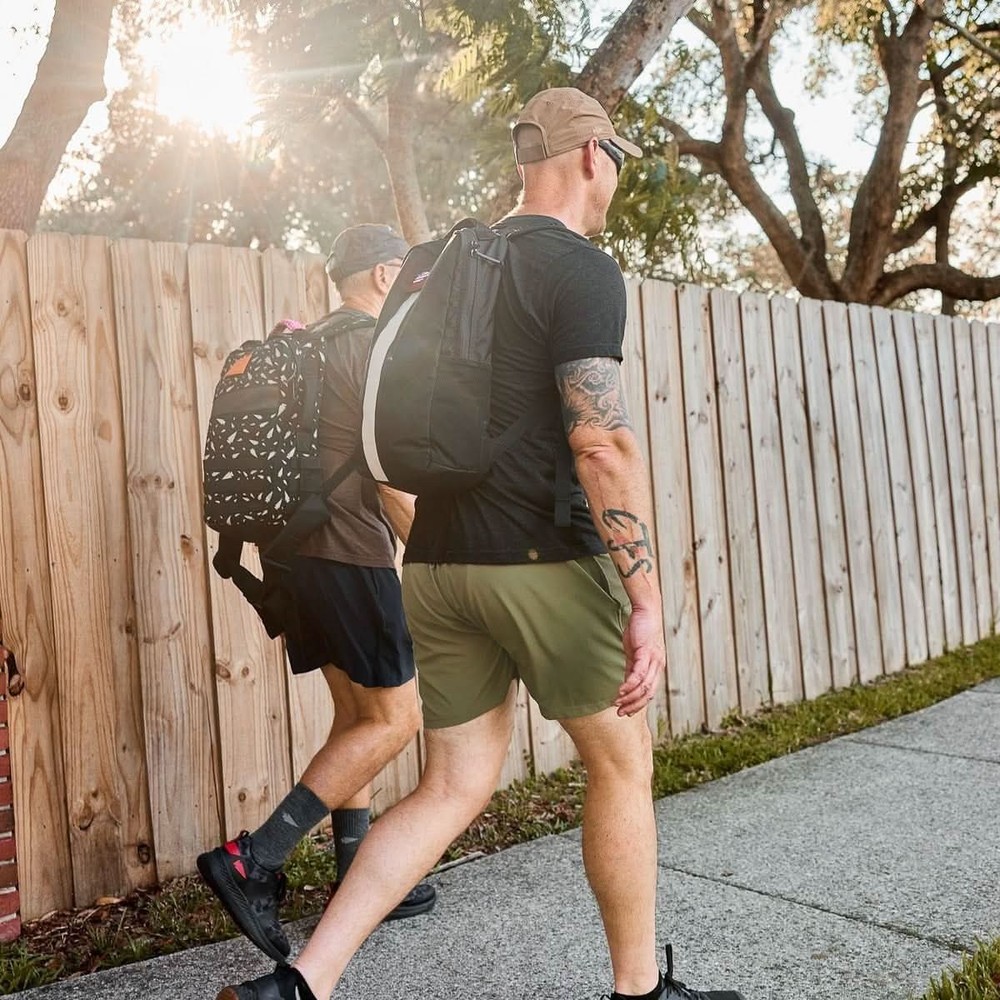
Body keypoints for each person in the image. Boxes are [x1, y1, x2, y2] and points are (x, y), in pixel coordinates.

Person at [217, 89, 743, 1000]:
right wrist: (646, 598)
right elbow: (600, 441)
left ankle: (302, 983)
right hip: (543, 561)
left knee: (452, 784)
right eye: (617, 158)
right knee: (622, 764)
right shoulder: (580, 269)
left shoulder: (436, 261)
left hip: (435, 563)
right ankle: (640, 994)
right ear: (592, 156)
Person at [198, 224, 437, 966]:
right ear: (386, 274)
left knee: (358, 714)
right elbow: (390, 480)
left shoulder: (309, 345)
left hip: (290, 558)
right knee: (396, 718)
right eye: (411, 277)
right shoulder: (371, 348)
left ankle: (353, 867)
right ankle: (255, 859)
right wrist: (440, 558)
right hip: (349, 554)